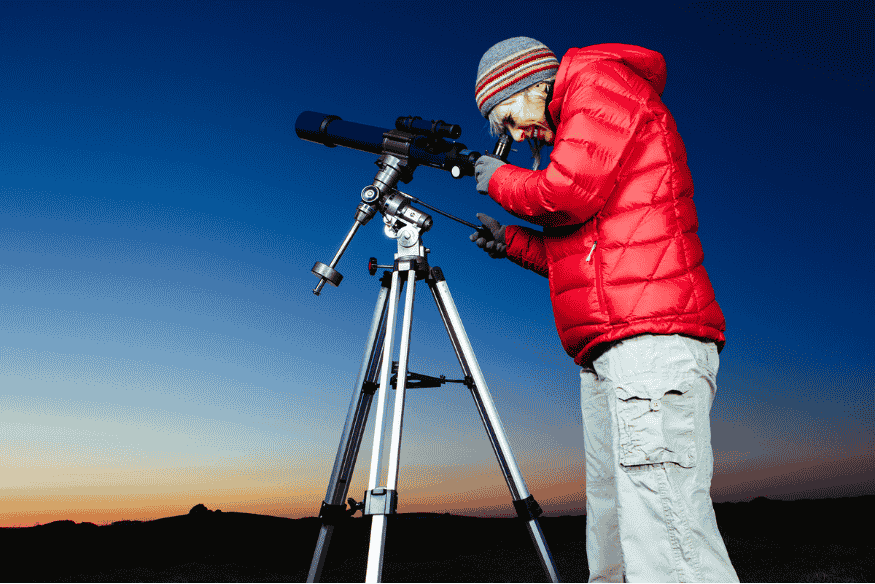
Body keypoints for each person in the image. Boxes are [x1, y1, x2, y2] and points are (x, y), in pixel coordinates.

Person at [470, 37, 739, 583]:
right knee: (618, 526)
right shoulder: (581, 121)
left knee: (668, 530)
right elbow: (583, 256)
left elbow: (565, 193)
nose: (515, 135)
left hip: (649, 343)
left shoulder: (599, 83)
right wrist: (511, 243)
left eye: (507, 117)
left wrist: (498, 180)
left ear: (530, 84)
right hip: (613, 348)